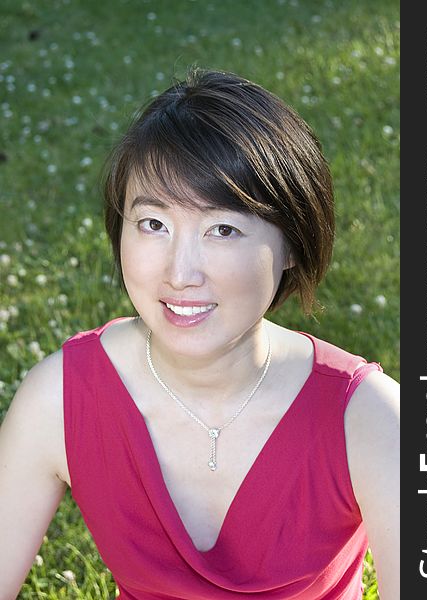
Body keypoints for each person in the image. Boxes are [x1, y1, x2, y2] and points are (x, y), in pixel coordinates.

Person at [0, 67, 399, 600]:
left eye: (223, 229)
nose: (180, 272)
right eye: (154, 225)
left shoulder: (369, 418)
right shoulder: (62, 398)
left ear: (293, 246)